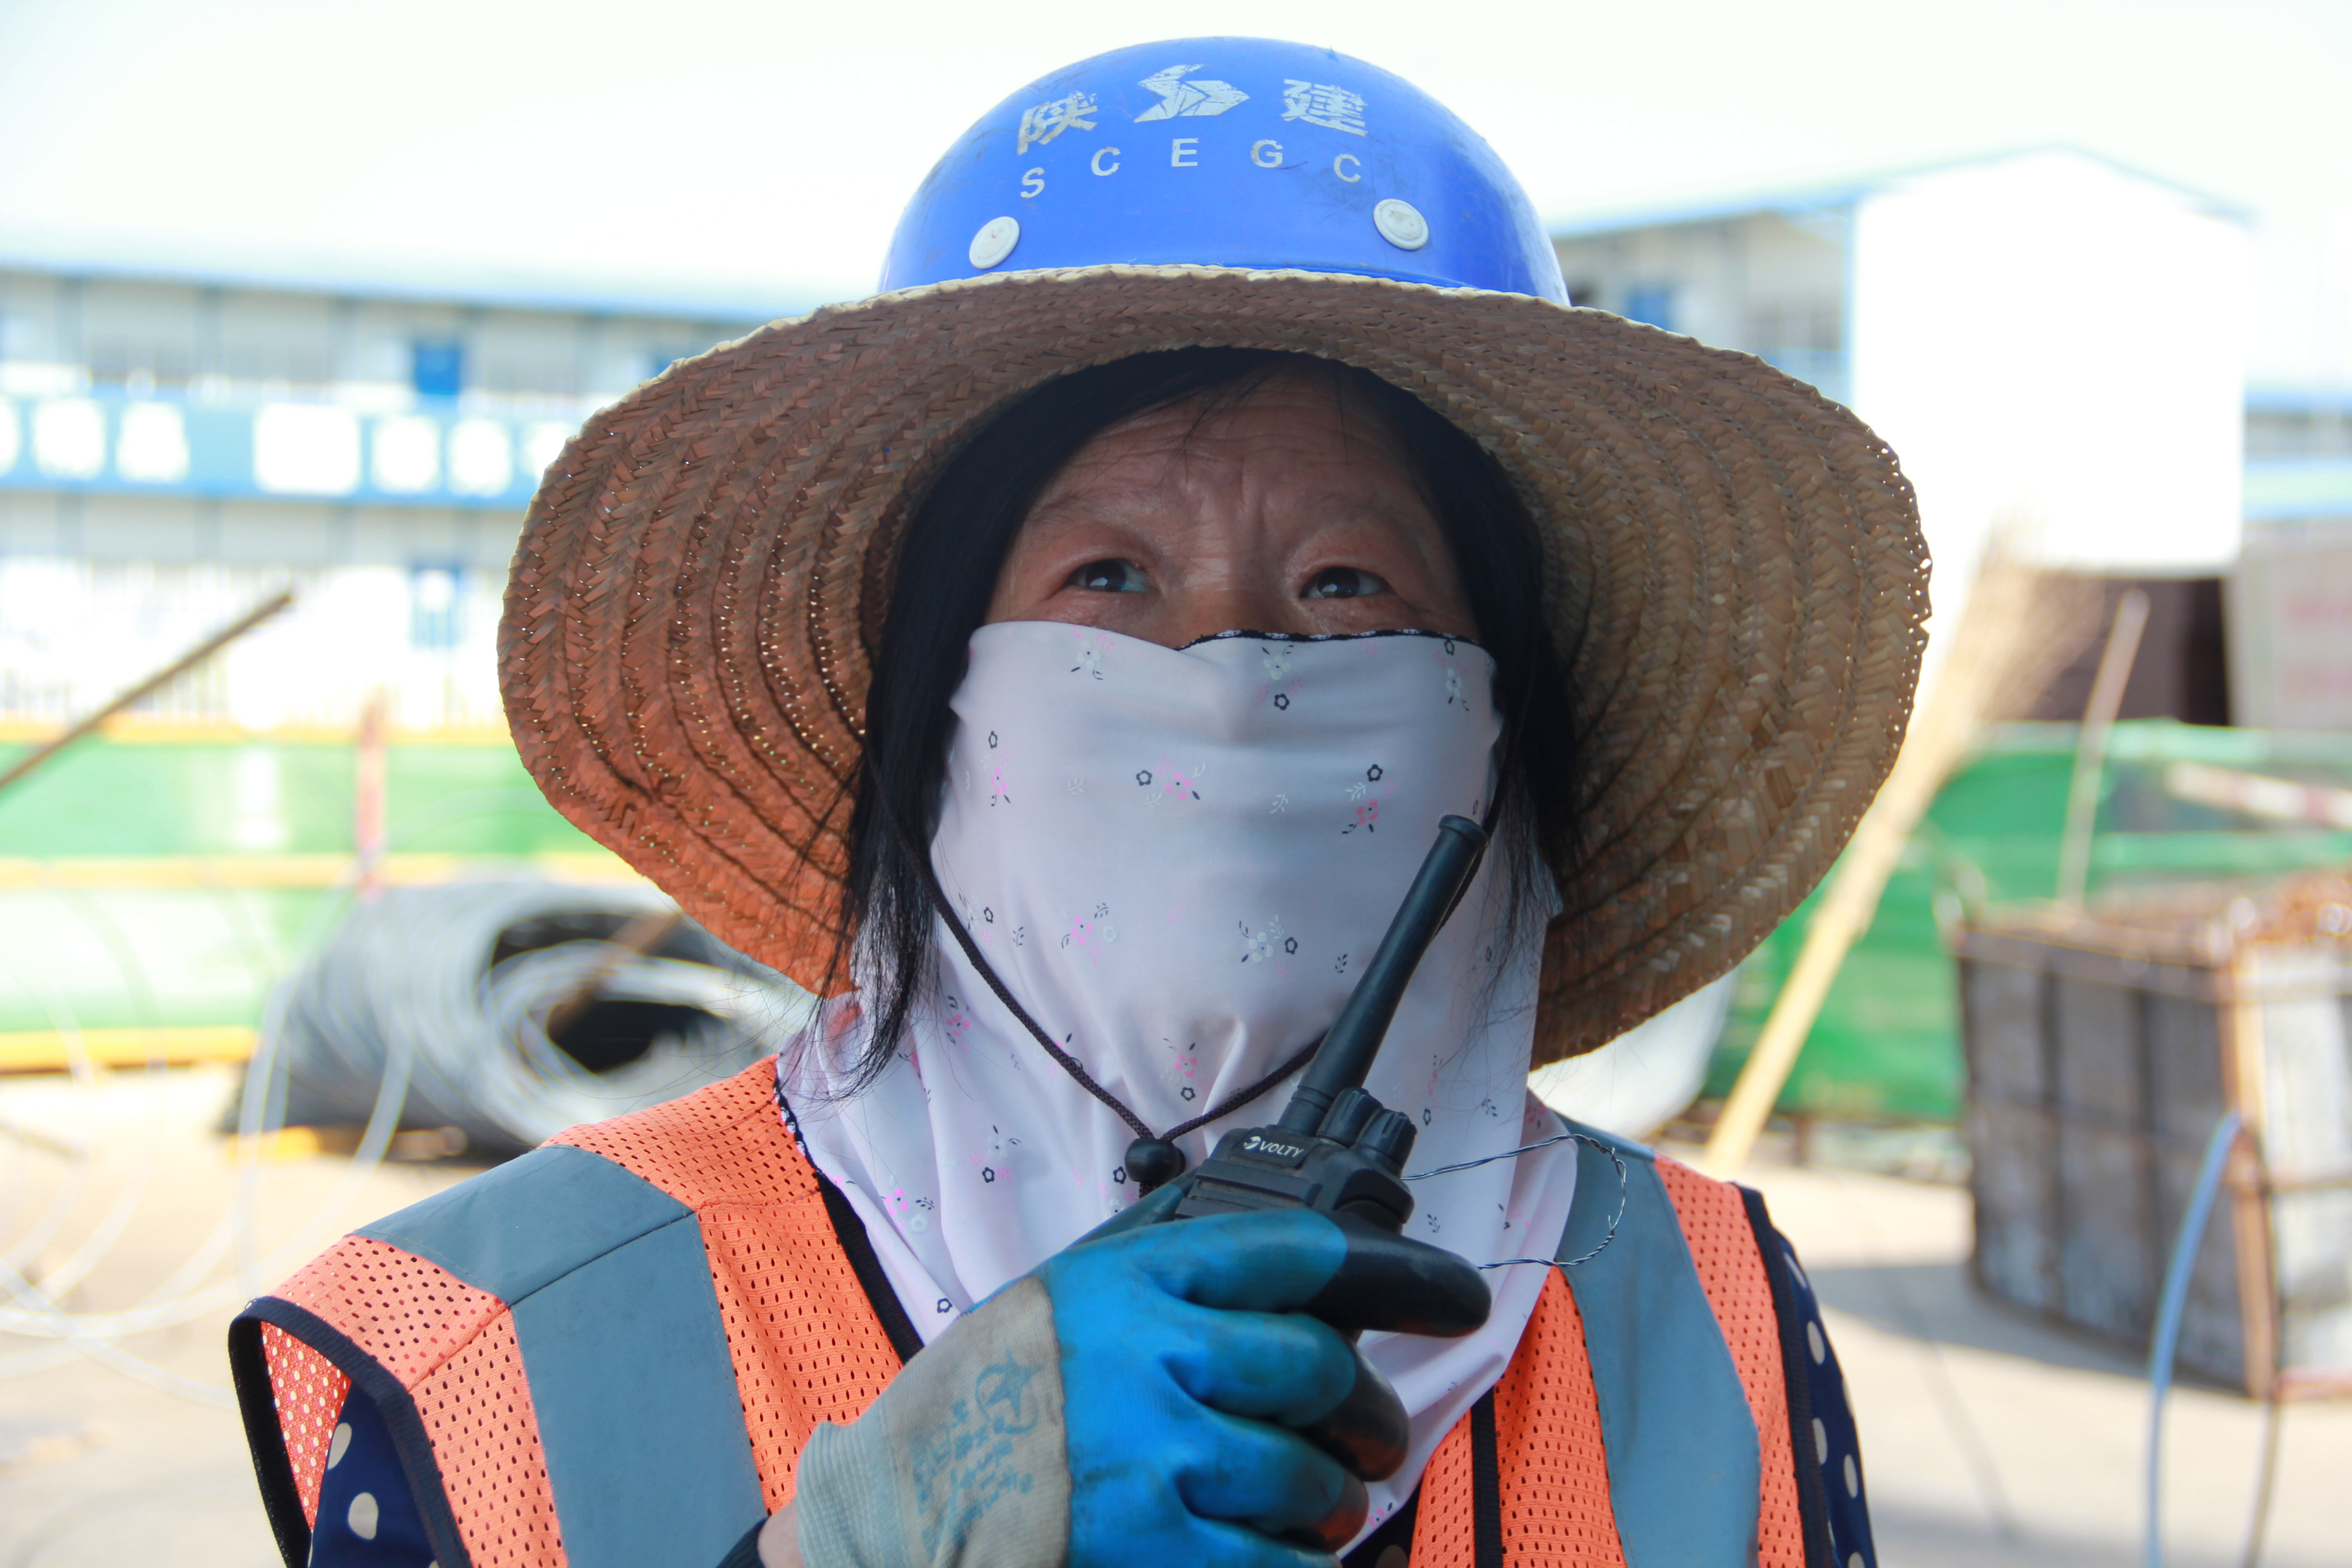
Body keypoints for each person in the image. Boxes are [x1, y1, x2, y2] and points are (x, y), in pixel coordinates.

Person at [232, 36, 1922, 1568]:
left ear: (1499, 740)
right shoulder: (492, 1341)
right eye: (1108, 578)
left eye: (1347, 588)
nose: (1230, 665)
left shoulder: (1715, 1319)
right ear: (937, 710)